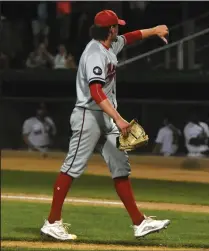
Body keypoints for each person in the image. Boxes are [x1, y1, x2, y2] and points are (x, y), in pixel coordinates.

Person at [40, 10, 170, 241]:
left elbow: (131, 37)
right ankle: (52, 222)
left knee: (120, 164)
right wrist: (119, 119)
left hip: (104, 118)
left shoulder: (111, 44)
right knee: (73, 166)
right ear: (110, 29)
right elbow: (96, 90)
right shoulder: (94, 53)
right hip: (87, 116)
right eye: (116, 25)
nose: (119, 28)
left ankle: (139, 223)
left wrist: (155, 31)